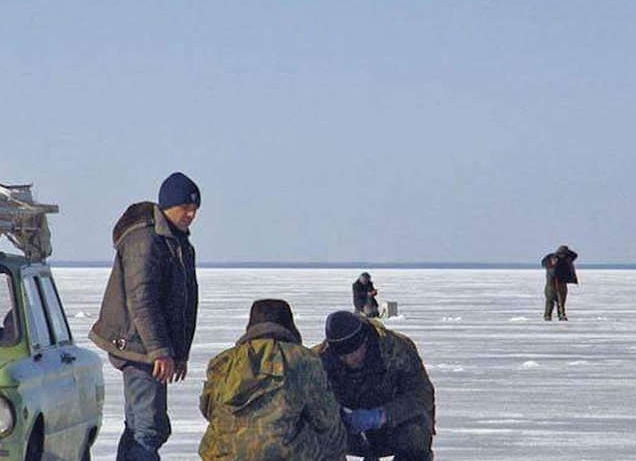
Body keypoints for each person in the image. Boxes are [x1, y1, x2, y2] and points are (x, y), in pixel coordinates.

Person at [89, 172, 201, 461]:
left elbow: (186, 300)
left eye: (195, 209)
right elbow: (142, 299)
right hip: (139, 346)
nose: (191, 214)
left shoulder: (178, 242)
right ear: (167, 205)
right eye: (185, 207)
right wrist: (160, 350)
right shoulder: (147, 240)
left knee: (140, 426)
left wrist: (179, 352)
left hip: (152, 348)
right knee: (149, 429)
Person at [199, 299, 346, 461]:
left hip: (223, 454)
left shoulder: (224, 360)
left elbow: (208, 409)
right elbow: (325, 417)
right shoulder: (303, 359)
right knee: (334, 433)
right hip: (283, 454)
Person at [313, 311, 435, 461]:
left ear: (364, 340)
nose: (349, 359)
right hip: (345, 428)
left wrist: (382, 415)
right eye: (342, 355)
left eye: (354, 352)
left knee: (416, 431)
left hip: (393, 424)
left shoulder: (396, 349)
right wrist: (334, 415)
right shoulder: (317, 360)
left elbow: (422, 394)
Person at [541, 244, 579, 321]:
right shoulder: (550, 257)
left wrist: (566, 251)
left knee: (561, 301)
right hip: (551, 284)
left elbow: (574, 255)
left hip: (562, 283)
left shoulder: (567, 259)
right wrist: (552, 263)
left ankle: (561, 315)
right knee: (550, 301)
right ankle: (547, 316)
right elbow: (544, 263)